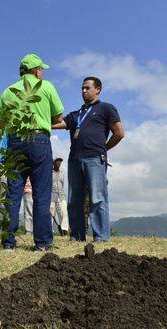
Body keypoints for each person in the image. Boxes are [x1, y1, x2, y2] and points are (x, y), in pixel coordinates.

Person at [0, 53, 64, 251]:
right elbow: (58, 115)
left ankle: (8, 243)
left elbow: (1, 120)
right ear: (37, 70)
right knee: (41, 194)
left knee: (13, 194)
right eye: (41, 69)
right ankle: (42, 243)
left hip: (15, 142)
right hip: (39, 141)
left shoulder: (8, 91)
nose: (42, 72)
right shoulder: (46, 86)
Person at [52, 76, 124, 242]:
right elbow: (57, 123)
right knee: (73, 199)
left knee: (97, 198)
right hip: (75, 159)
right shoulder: (76, 114)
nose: (84, 91)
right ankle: (76, 236)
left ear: (97, 89)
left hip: (95, 158)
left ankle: (101, 237)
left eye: (87, 88)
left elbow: (119, 133)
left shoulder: (106, 108)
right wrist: (37, 120)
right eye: (82, 88)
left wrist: (104, 149)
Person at [50, 157, 69, 235]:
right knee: (51, 215)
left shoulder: (62, 173)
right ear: (53, 163)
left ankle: (64, 230)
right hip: (51, 196)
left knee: (64, 213)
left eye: (60, 161)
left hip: (61, 196)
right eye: (57, 161)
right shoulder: (49, 173)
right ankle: (50, 231)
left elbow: (62, 184)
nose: (58, 163)